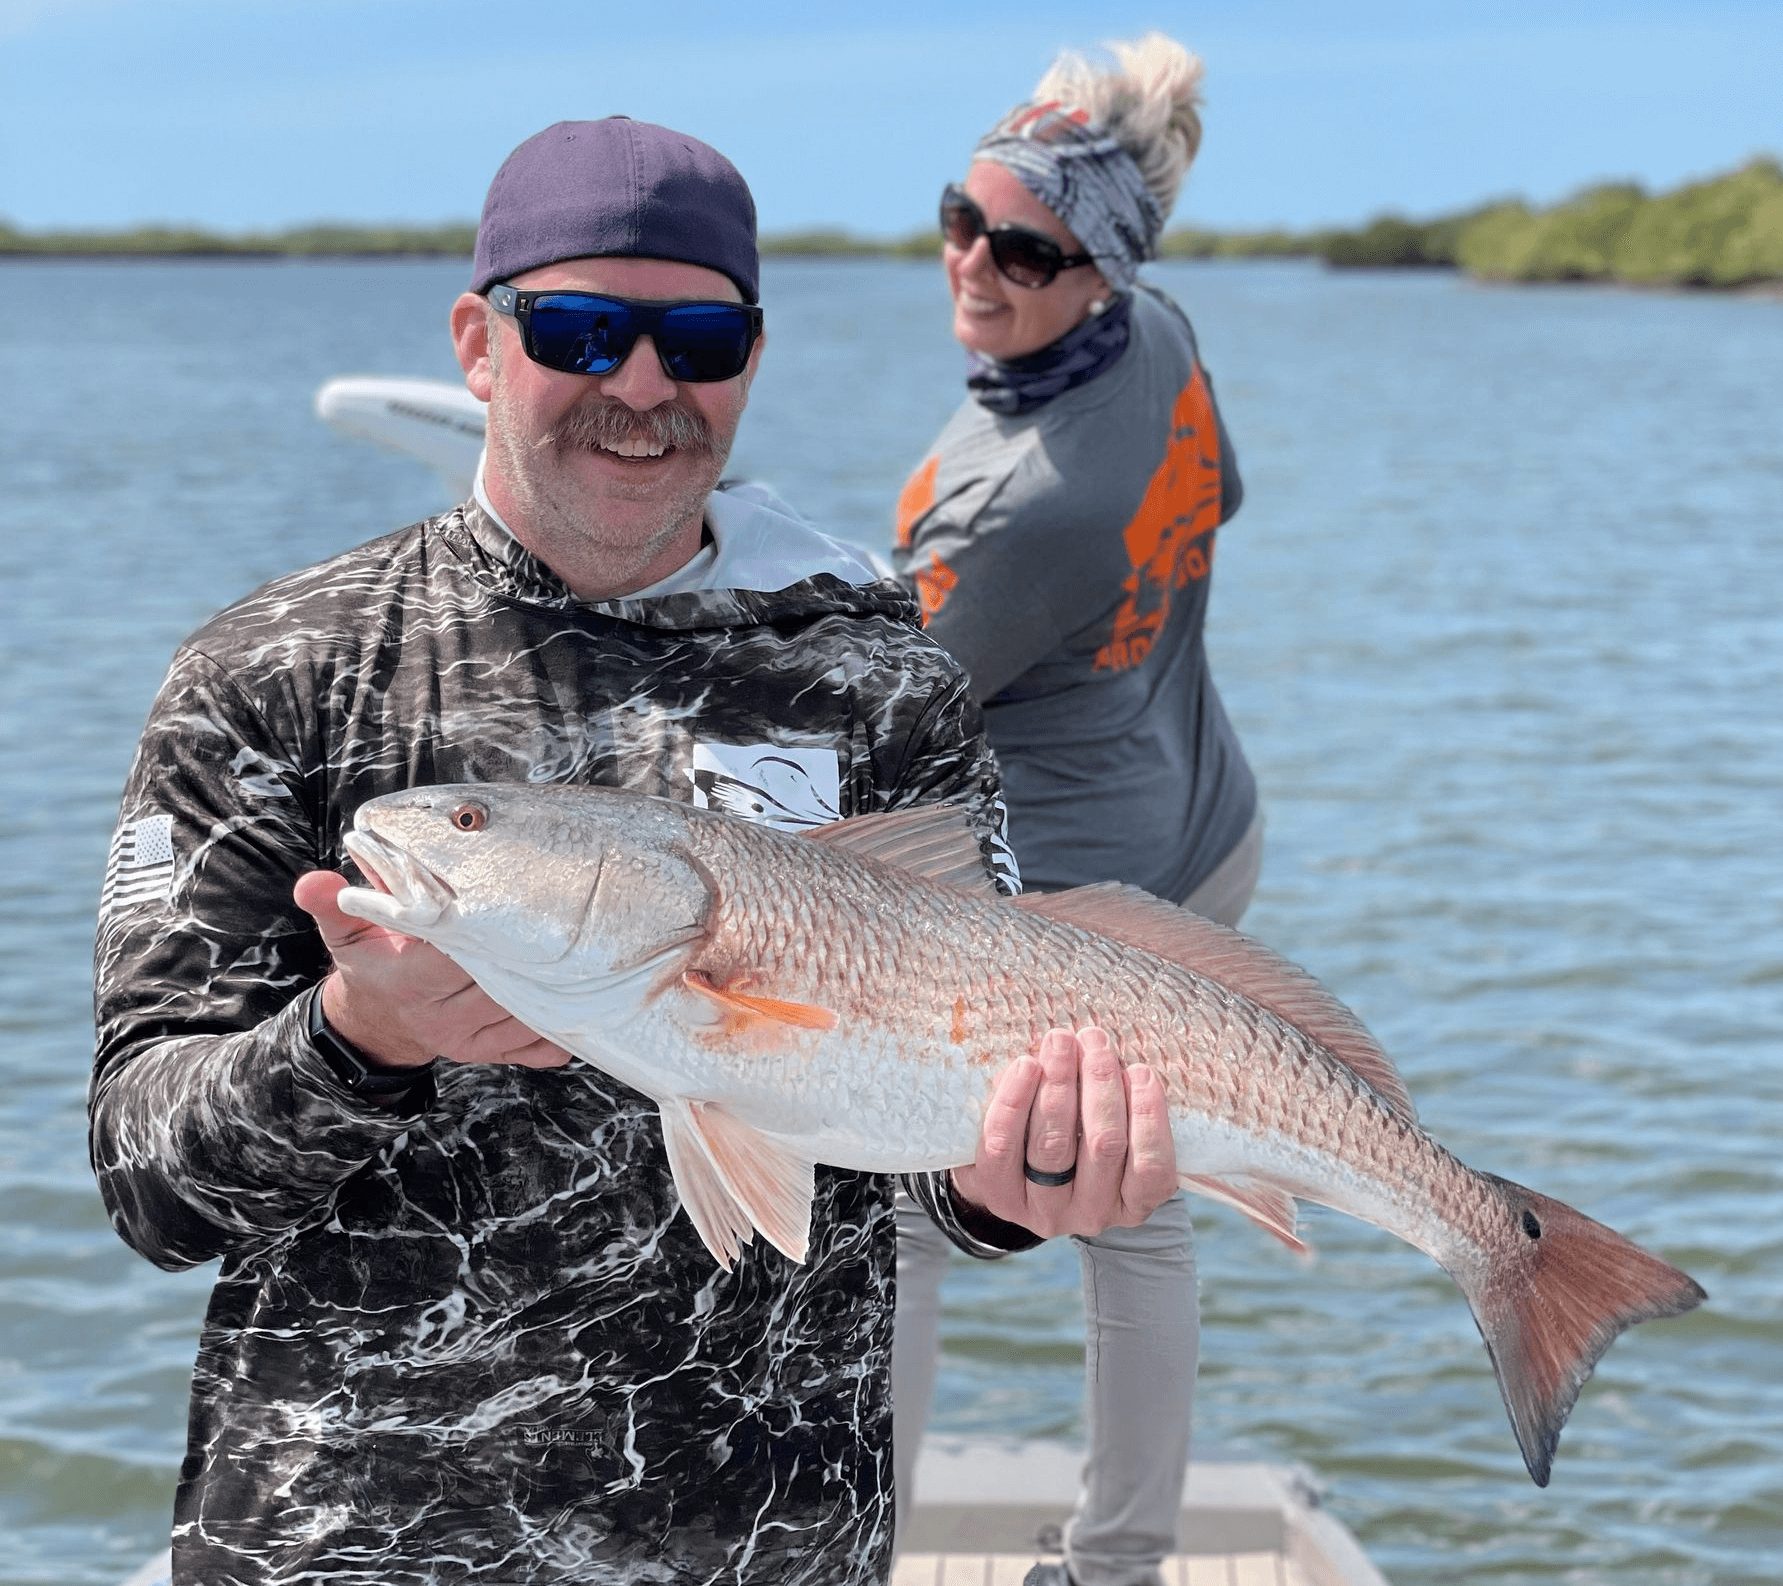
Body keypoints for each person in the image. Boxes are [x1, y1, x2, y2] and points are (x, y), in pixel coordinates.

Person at [90, 116, 1178, 1586]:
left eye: (698, 340)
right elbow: (149, 1187)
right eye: (583, 331)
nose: (643, 385)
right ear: (480, 345)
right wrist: (355, 1038)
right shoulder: (274, 672)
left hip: (769, 1548)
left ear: (750, 358)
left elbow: (925, 1177)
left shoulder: (884, 687)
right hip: (337, 1550)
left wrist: (1018, 1185)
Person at [892, 37, 1261, 1586]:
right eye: (961, 222)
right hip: (1208, 828)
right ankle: (1122, 1564)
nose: (977, 267)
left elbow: (888, 710)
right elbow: (1219, 493)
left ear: (1097, 265)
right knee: (1141, 1210)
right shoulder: (1160, 337)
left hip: (1069, 901)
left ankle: (861, 1545)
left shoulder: (1028, 504)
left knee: (896, 1220)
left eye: (1026, 252)